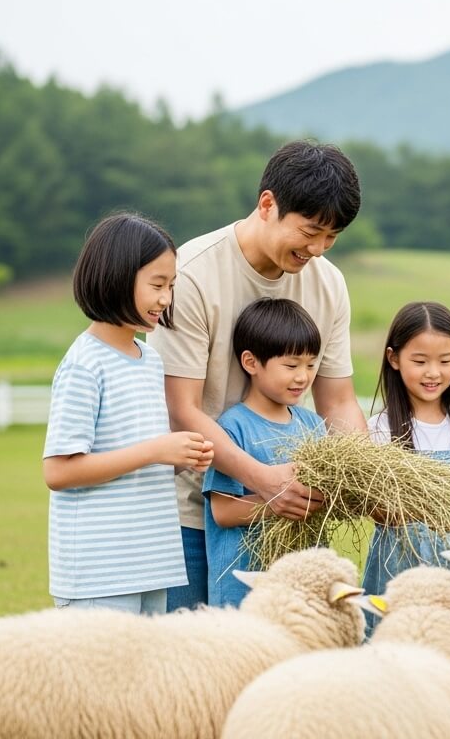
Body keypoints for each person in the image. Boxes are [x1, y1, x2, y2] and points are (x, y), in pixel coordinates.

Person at [148, 140, 366, 611]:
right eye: (310, 231)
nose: (318, 248)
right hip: (190, 512)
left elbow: (338, 402)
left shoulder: (328, 284)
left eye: (332, 237)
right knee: (194, 666)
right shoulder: (191, 275)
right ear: (268, 204)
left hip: (288, 520)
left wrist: (367, 475)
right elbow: (181, 407)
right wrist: (264, 480)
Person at [41, 213, 215, 615]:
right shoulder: (85, 364)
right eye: (157, 285)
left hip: (151, 565)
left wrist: (179, 458)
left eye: (171, 286)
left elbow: (137, 457)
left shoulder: (148, 360)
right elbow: (59, 471)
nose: (166, 299)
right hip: (99, 574)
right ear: (117, 277)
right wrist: (157, 450)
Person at [362, 301, 450, 619]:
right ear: (394, 358)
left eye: (445, 361)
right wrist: (429, 508)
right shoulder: (380, 430)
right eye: (420, 361)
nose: (433, 373)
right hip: (396, 571)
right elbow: (378, 512)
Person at [203, 298, 326, 607]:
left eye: (311, 365)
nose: (303, 376)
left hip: (300, 589)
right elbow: (223, 511)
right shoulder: (233, 429)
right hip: (243, 591)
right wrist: (279, 502)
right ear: (251, 362)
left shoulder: (313, 426)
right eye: (291, 365)